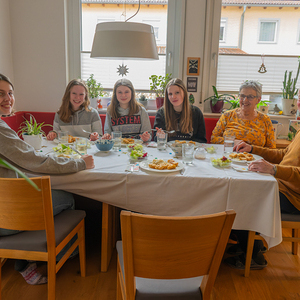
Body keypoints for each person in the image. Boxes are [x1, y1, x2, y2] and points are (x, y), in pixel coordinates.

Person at [0, 74, 95, 284]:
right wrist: (80, 163)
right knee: (68, 198)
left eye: (10, 93)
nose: (8, 98)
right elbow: (34, 161)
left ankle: (28, 256)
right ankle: (45, 259)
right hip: (5, 217)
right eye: (1, 94)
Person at [225, 129, 300, 270]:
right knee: (243, 188)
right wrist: (252, 149)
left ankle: (254, 256)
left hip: (294, 197)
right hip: (281, 184)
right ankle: (250, 244)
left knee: (244, 198)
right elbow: (283, 155)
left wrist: (274, 169)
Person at [211, 80, 275, 148]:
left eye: (250, 97)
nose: (245, 100)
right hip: (229, 156)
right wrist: (233, 142)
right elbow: (214, 139)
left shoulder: (265, 120)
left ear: (258, 100)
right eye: (242, 96)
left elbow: (271, 150)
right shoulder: (227, 116)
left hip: (254, 157)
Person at [153, 78, 206, 143]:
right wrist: (160, 137)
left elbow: (202, 140)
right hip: (168, 151)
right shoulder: (161, 113)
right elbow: (155, 139)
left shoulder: (196, 112)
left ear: (184, 93)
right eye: (170, 94)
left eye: (177, 93)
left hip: (189, 151)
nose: (173, 97)